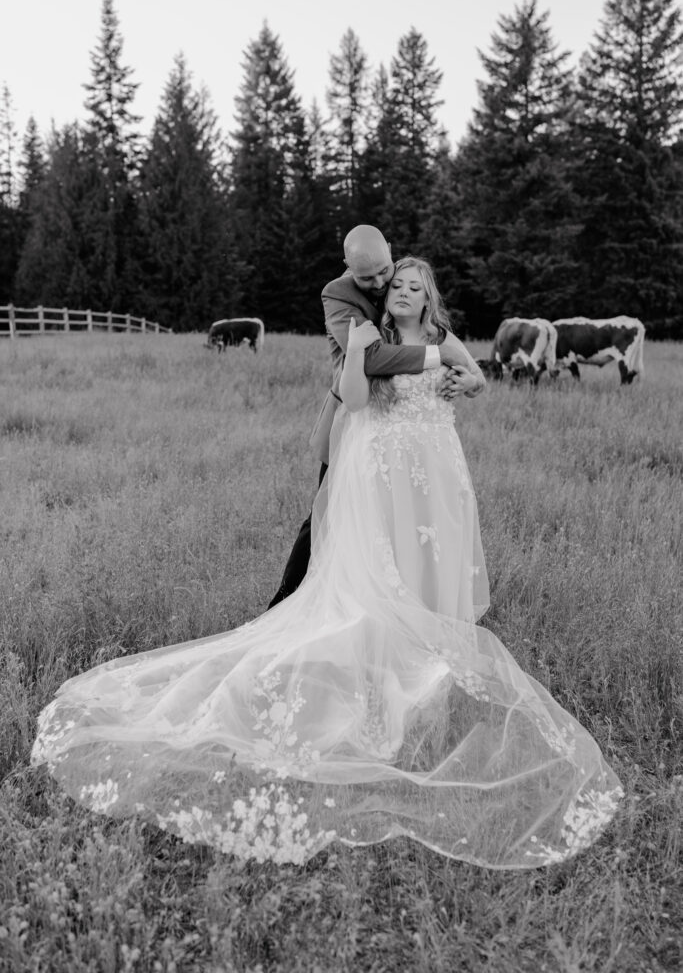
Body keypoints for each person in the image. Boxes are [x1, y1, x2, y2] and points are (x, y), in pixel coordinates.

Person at [31, 255, 622, 869]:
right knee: (377, 581)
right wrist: (378, 352)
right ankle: (379, 682)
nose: (403, 293)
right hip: (382, 471)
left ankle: (425, 675)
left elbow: (478, 378)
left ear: (429, 299)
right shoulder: (367, 336)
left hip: (436, 472)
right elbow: (358, 398)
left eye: (415, 287)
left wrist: (465, 382)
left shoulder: (443, 339)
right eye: (396, 285)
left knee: (428, 572)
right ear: (384, 293)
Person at [267, 224, 484, 607]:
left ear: (390, 249)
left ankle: (410, 601)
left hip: (419, 446)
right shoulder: (338, 294)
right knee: (327, 514)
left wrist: (466, 376)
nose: (385, 284)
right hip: (358, 423)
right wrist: (438, 357)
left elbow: (471, 369)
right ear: (348, 267)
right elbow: (370, 358)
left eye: (388, 273)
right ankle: (285, 602)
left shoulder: (405, 279)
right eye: (370, 278)